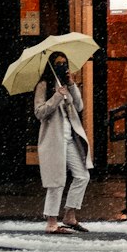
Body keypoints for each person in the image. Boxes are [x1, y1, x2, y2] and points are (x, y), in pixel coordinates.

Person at [33, 52, 93, 234]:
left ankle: (69, 215)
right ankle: (51, 222)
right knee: (56, 180)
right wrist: (57, 96)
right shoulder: (43, 85)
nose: (62, 66)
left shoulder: (66, 84)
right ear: (51, 65)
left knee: (82, 175)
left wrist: (72, 85)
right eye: (58, 63)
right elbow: (39, 112)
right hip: (54, 139)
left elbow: (80, 106)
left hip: (71, 137)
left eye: (64, 63)